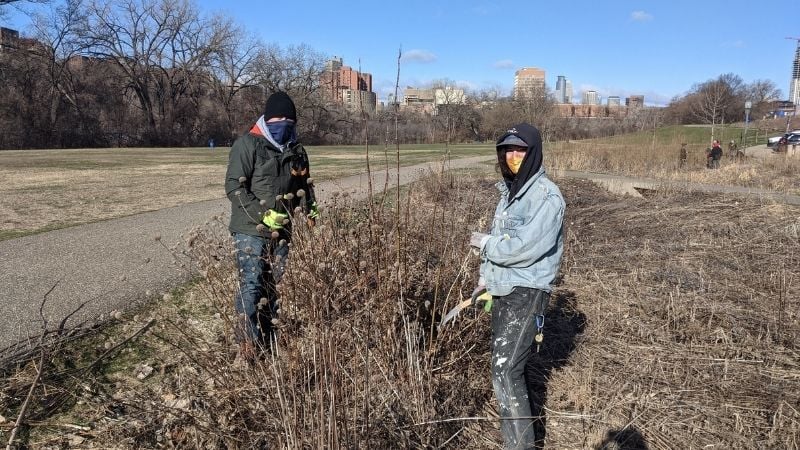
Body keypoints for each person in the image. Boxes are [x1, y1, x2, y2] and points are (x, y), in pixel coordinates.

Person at [469, 123, 565, 449]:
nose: (513, 156)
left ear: (533, 152)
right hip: (504, 290)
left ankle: (520, 446)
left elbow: (522, 248)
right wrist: (485, 281)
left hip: (527, 293)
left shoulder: (547, 197)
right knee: (507, 370)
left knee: (505, 370)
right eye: (507, 150)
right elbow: (502, 241)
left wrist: (484, 244)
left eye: (520, 150)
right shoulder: (510, 193)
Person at [224, 91, 319, 361]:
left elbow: (304, 186)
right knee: (252, 284)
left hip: (283, 231)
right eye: (278, 119)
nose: (283, 125)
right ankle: (247, 346)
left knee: (276, 285)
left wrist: (312, 213)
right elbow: (234, 186)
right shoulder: (247, 145)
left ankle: (270, 338)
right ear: (267, 119)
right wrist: (262, 215)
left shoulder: (296, 149)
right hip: (250, 230)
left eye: (289, 120)